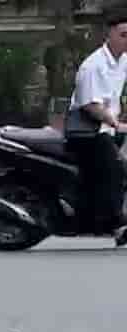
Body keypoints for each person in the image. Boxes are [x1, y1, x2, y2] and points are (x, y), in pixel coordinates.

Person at [67, 8, 127, 241]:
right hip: (87, 131)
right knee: (116, 170)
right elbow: (91, 106)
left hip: (107, 128)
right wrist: (116, 122)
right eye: (123, 35)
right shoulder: (93, 65)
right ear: (109, 34)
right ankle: (116, 224)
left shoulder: (122, 60)